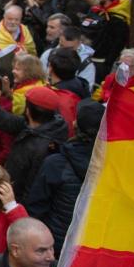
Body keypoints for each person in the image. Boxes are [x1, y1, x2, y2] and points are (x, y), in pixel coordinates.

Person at [25, 100, 105, 254]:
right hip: (92, 247)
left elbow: (36, 208)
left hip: (55, 246)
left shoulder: (56, 163)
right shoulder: (113, 167)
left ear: (75, 125)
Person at [0, 83, 70, 203]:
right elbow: (4, 120)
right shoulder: (37, 125)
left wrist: (13, 206)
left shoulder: (42, 148)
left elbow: (32, 188)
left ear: (28, 110)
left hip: (16, 202)